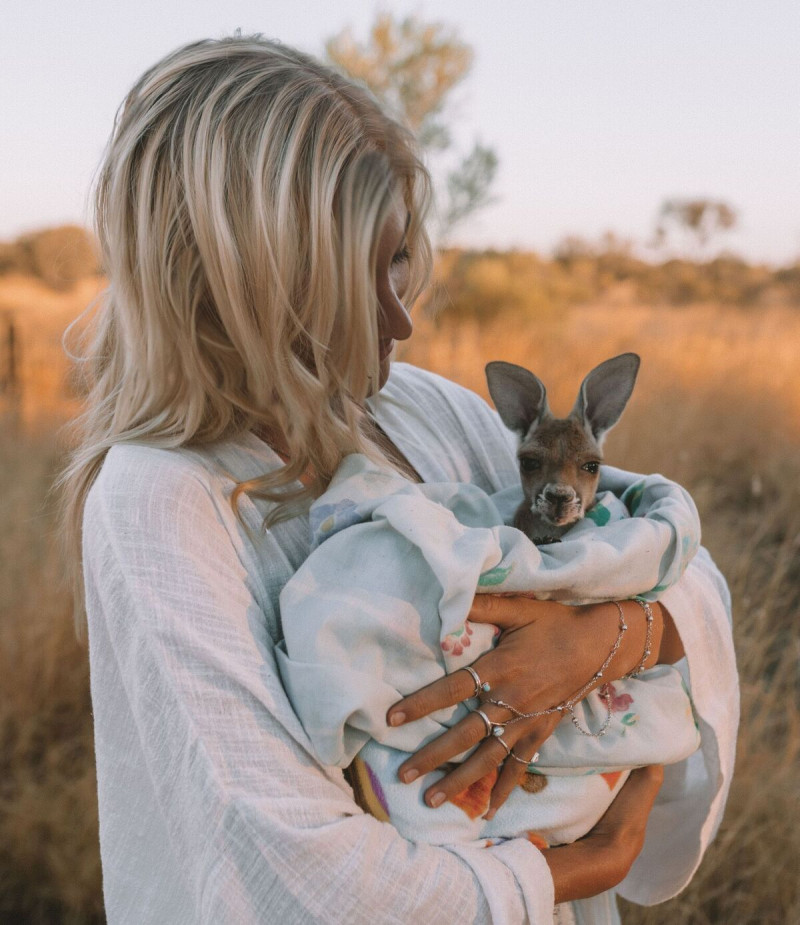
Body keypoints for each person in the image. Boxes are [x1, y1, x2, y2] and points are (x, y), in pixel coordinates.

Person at [60, 35, 738, 924]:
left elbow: (679, 560)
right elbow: (287, 857)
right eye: (360, 271)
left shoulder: (407, 406)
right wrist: (571, 869)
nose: (400, 317)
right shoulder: (161, 497)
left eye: (398, 262)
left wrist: (613, 634)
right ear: (253, 280)